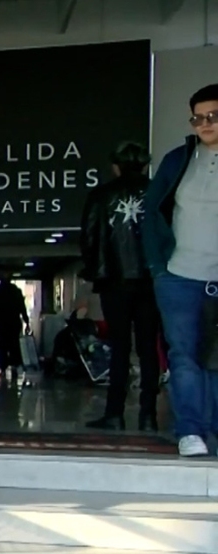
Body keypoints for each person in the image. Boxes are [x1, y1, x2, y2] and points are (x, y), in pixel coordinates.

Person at [143, 84, 218, 456]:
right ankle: (190, 430)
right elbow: (150, 209)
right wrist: (157, 265)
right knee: (184, 355)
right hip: (179, 275)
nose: (205, 123)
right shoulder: (178, 160)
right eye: (198, 117)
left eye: (213, 116)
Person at [81, 141, 160, 432]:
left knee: (120, 348)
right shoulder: (158, 193)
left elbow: (89, 238)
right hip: (151, 281)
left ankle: (114, 414)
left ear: (116, 165)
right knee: (149, 348)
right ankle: (148, 415)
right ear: (145, 164)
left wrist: (94, 271)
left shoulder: (101, 196)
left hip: (114, 282)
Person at [0, 277, 30, 379]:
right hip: (14, 322)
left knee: (2, 346)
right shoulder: (16, 291)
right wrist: (26, 321)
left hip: (1, 322)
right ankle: (14, 367)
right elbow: (22, 307)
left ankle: (3, 368)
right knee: (14, 346)